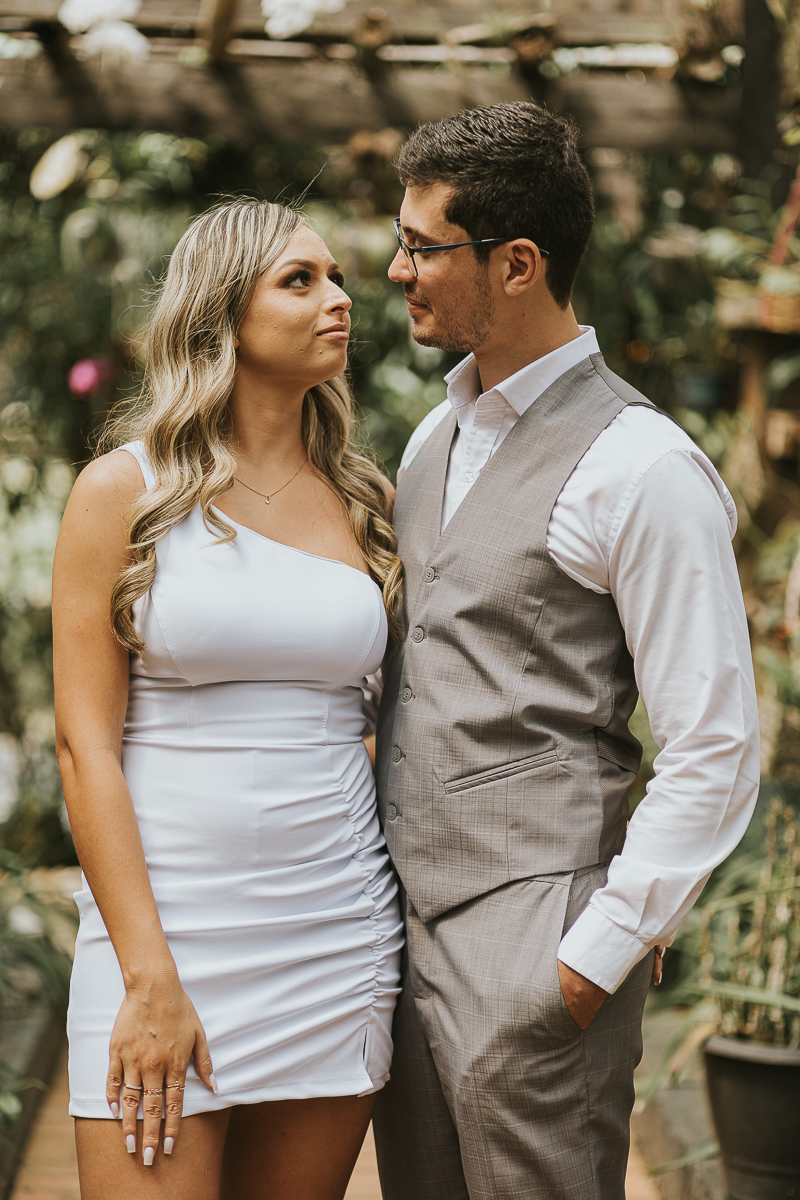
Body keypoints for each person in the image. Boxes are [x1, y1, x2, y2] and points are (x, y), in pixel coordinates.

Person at [372, 103, 760, 1200]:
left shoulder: (644, 468)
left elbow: (714, 743)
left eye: (422, 246)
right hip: (404, 947)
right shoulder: (432, 436)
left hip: (539, 949)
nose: (396, 270)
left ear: (517, 264)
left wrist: (590, 961)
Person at [52, 198, 403, 1200]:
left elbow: (386, 728)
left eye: (337, 278)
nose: (339, 299)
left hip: (334, 937)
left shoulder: (365, 500)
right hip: (159, 939)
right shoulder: (123, 491)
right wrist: (147, 974)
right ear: (223, 315)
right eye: (300, 280)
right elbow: (84, 748)